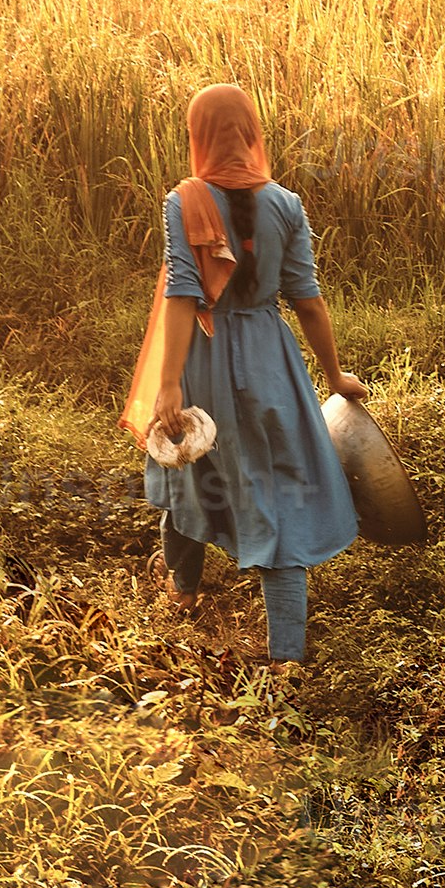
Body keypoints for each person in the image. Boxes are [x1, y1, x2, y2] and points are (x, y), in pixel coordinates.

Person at [123, 82, 361, 669]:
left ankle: (181, 597)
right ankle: (287, 657)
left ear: (197, 136)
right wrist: (334, 377)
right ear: (252, 133)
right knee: (277, 492)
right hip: (269, 358)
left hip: (200, 356)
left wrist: (171, 382)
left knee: (188, 468)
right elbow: (307, 298)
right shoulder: (286, 203)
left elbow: (183, 293)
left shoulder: (185, 200)